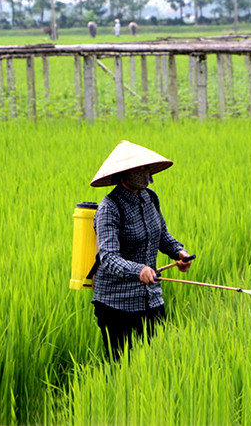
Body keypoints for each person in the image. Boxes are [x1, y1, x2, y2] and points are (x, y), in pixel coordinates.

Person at [89, 140, 193, 360]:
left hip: (151, 297)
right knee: (121, 368)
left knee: (155, 361)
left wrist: (178, 252)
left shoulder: (150, 198)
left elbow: (161, 234)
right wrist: (139, 270)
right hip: (117, 304)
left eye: (146, 167)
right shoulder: (110, 208)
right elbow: (108, 257)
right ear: (124, 173)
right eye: (139, 169)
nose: (145, 173)